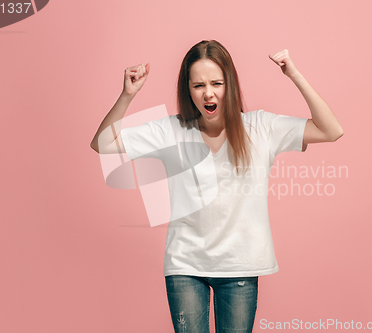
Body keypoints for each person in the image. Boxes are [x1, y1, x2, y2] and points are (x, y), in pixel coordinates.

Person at [90, 40, 343, 333]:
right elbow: (103, 145)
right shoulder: (171, 130)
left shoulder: (261, 127)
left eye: (216, 83)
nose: (208, 93)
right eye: (198, 85)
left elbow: (331, 130)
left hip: (240, 266)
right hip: (186, 265)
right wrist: (127, 95)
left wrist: (294, 75)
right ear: (188, 90)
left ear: (230, 84)